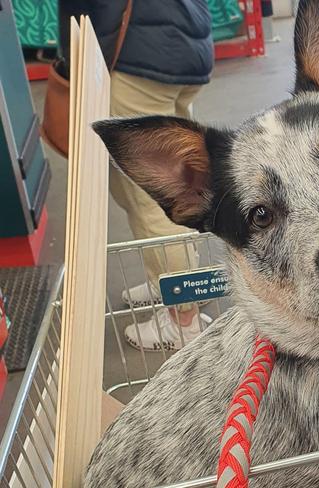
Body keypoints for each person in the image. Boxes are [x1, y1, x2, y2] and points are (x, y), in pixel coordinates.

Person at [58, 0, 214, 351]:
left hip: (136, 55)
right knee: (183, 184)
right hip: (185, 44)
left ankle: (182, 321)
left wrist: (73, 58)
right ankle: (174, 282)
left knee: (150, 199)